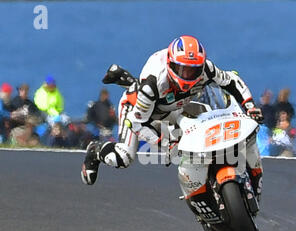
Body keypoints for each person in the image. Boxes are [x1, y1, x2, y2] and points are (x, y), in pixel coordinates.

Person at [81, 35, 264, 203]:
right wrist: (165, 143)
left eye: (192, 71)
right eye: (181, 69)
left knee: (204, 121)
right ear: (171, 64)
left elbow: (231, 80)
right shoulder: (153, 85)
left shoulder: (206, 69)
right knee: (123, 158)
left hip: (174, 106)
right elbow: (138, 123)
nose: (186, 75)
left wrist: (249, 106)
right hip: (138, 111)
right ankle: (96, 151)